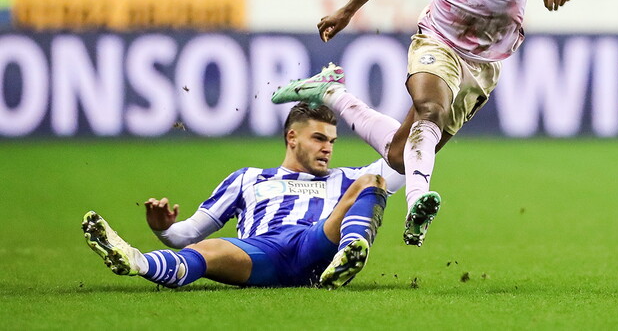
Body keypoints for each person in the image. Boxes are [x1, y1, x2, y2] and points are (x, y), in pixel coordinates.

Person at [272, 0, 595, 247]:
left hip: (485, 62)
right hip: (438, 39)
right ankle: (416, 202)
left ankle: (330, 92)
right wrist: (349, 9)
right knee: (431, 110)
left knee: (398, 155)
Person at [81, 102, 404, 290]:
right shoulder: (247, 179)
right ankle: (135, 261)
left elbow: (406, 155)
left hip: (318, 243)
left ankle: (350, 253)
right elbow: (187, 234)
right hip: (262, 254)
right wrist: (163, 229)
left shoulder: (344, 178)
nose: (327, 148)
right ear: (292, 137)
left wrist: (435, 120)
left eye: (332, 141)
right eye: (319, 138)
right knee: (206, 249)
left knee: (371, 180)